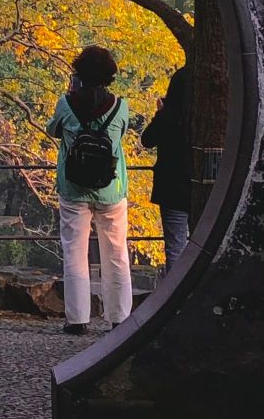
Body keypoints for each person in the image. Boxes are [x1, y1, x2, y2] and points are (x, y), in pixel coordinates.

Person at [46, 45, 132, 334]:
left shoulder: (66, 103)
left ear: (79, 73)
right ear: (109, 75)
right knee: (117, 253)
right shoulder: (120, 106)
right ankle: (120, 318)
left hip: (74, 188)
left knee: (75, 252)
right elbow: (120, 134)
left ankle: (78, 319)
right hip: (111, 188)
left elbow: (52, 130)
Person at [140, 65, 191, 271]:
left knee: (175, 248)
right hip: (206, 186)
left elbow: (147, 140)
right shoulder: (207, 117)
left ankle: (176, 296)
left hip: (172, 188)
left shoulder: (168, 117)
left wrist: (161, 113)